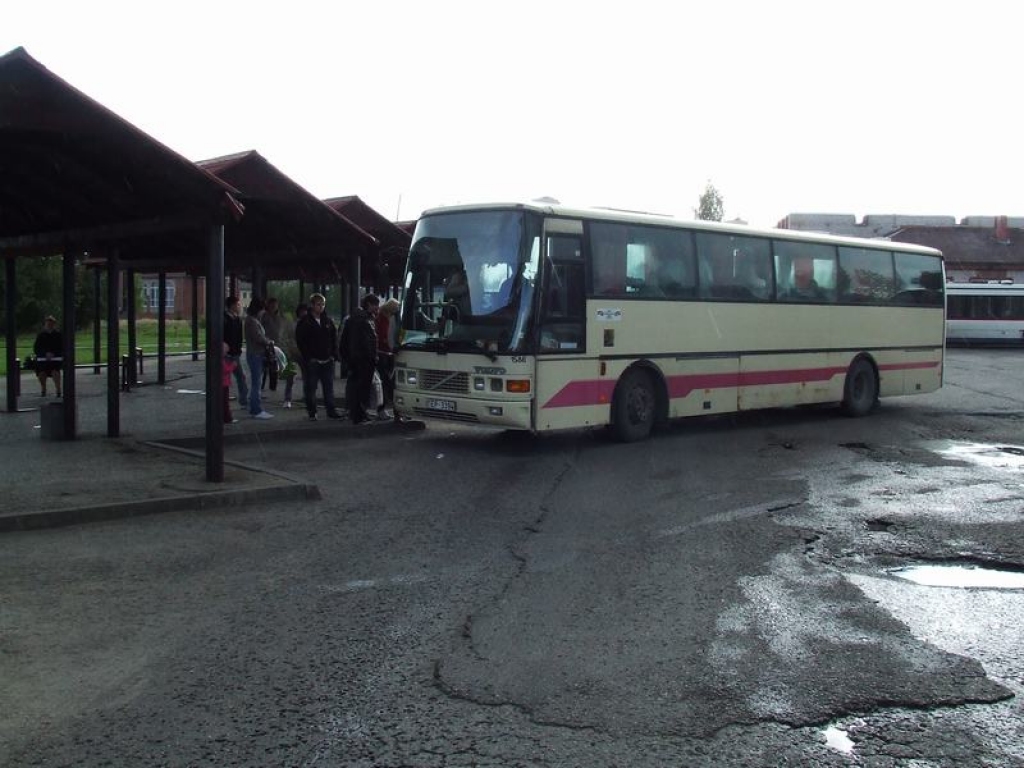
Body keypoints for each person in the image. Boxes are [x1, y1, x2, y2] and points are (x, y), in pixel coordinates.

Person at [295, 293, 343, 421]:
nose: (321, 307)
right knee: (311, 388)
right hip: (313, 361)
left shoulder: (328, 321)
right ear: (312, 305)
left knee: (329, 387)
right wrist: (308, 357)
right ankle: (312, 412)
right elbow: (301, 341)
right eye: (318, 304)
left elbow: (334, 338)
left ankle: (331, 411)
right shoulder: (305, 322)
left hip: (327, 360)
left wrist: (333, 355)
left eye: (323, 304)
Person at [340, 293, 379, 425]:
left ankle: (359, 414)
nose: (377, 308)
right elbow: (365, 342)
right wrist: (371, 356)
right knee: (361, 389)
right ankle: (359, 416)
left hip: (357, 360)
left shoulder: (355, 319)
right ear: (369, 304)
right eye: (375, 305)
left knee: (357, 388)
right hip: (363, 360)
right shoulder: (363, 320)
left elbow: (344, 341)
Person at [244, 298, 274, 420]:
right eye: (262, 310)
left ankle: (255, 407)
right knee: (257, 383)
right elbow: (257, 337)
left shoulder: (254, 320)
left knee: (257, 382)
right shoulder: (251, 321)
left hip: (256, 354)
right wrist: (268, 341)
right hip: (255, 354)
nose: (263, 312)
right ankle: (256, 409)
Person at [375, 297, 400, 420]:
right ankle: (382, 409)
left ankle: (391, 409)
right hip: (383, 353)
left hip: (388, 353)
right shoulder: (381, 319)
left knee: (389, 382)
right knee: (385, 382)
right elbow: (381, 336)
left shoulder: (388, 319)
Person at [279, 302, 308, 408]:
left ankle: (307, 397)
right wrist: (287, 350)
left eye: (305, 311)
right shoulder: (293, 324)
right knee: (290, 376)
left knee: (307, 376)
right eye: (302, 311)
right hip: (292, 352)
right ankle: (287, 399)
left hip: (304, 354)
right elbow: (285, 337)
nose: (303, 313)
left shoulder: (308, 324)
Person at [223, 295, 248, 405]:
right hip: (227, 354)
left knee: (241, 376)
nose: (239, 306)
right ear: (232, 305)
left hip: (235, 354)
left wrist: (238, 350)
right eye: (238, 304)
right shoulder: (224, 319)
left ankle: (243, 400)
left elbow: (239, 337)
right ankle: (224, 399)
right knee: (226, 378)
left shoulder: (237, 319)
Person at [33, 314, 62, 397]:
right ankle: (43, 388)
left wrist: (53, 353)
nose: (49, 325)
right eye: (48, 323)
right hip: (43, 358)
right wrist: (45, 353)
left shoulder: (58, 335)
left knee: (55, 371)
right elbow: (36, 348)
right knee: (41, 372)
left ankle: (58, 389)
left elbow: (61, 347)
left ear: (54, 324)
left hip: (55, 358)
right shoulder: (41, 335)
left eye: (51, 323)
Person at [259, 297, 283, 393]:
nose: (274, 307)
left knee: (274, 365)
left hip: (276, 343)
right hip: (267, 343)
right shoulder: (264, 316)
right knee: (264, 365)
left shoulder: (278, 316)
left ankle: (273, 386)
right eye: (272, 305)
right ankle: (262, 385)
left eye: (275, 305)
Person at [221, 342, 238, 424]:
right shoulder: (221, 360)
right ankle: (228, 418)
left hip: (223, 383)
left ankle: (223, 417)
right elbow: (226, 371)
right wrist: (233, 365)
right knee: (225, 402)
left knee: (222, 402)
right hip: (223, 384)